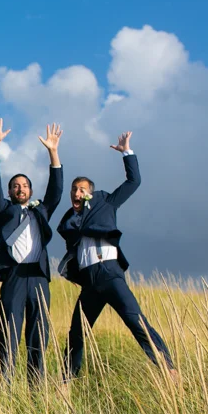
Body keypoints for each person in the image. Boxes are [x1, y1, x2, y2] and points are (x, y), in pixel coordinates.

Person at [57, 131, 177, 380]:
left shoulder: (106, 203)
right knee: (77, 332)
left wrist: (126, 153)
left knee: (136, 321)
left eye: (81, 190)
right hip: (89, 281)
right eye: (73, 190)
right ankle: (67, 381)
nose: (76, 193)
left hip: (109, 273)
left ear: (90, 193)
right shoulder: (70, 222)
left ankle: (168, 369)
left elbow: (134, 181)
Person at [0, 118, 64, 385]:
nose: (20, 189)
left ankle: (36, 388)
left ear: (31, 190)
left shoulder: (41, 210)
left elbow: (56, 191)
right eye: (16, 186)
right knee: (9, 332)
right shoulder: (4, 211)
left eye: (25, 186)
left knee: (39, 334)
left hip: (39, 277)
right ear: (10, 191)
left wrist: (53, 153)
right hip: (14, 277)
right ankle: (4, 387)